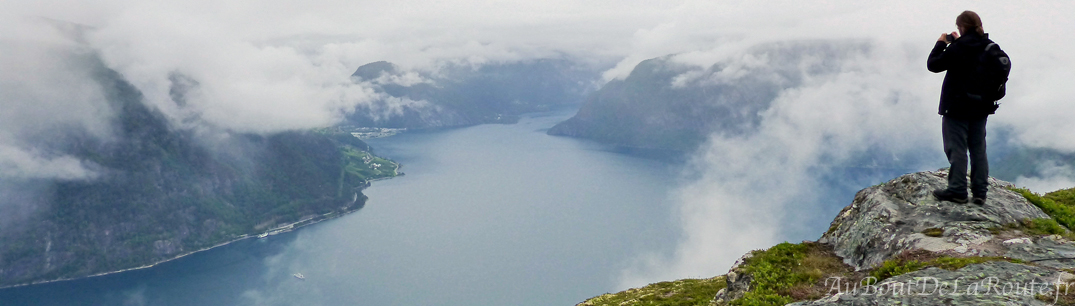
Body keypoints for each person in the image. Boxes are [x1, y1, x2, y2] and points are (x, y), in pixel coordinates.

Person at [927, 10, 998, 205]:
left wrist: (941, 43)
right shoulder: (989, 46)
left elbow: (933, 65)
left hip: (956, 107)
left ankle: (958, 190)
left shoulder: (959, 48)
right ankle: (980, 193)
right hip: (981, 106)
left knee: (957, 148)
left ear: (961, 27)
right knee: (978, 149)